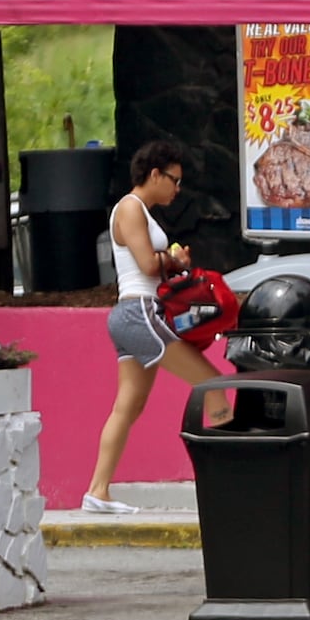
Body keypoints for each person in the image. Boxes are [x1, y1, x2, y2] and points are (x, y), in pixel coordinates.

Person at [82, 140, 215, 515]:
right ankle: (238, 477)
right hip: (140, 311)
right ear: (154, 174)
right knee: (214, 387)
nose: (177, 189)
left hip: (134, 314)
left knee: (128, 406)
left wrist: (172, 261)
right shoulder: (130, 207)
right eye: (173, 180)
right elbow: (146, 264)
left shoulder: (141, 211)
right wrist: (172, 260)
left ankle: (98, 490)